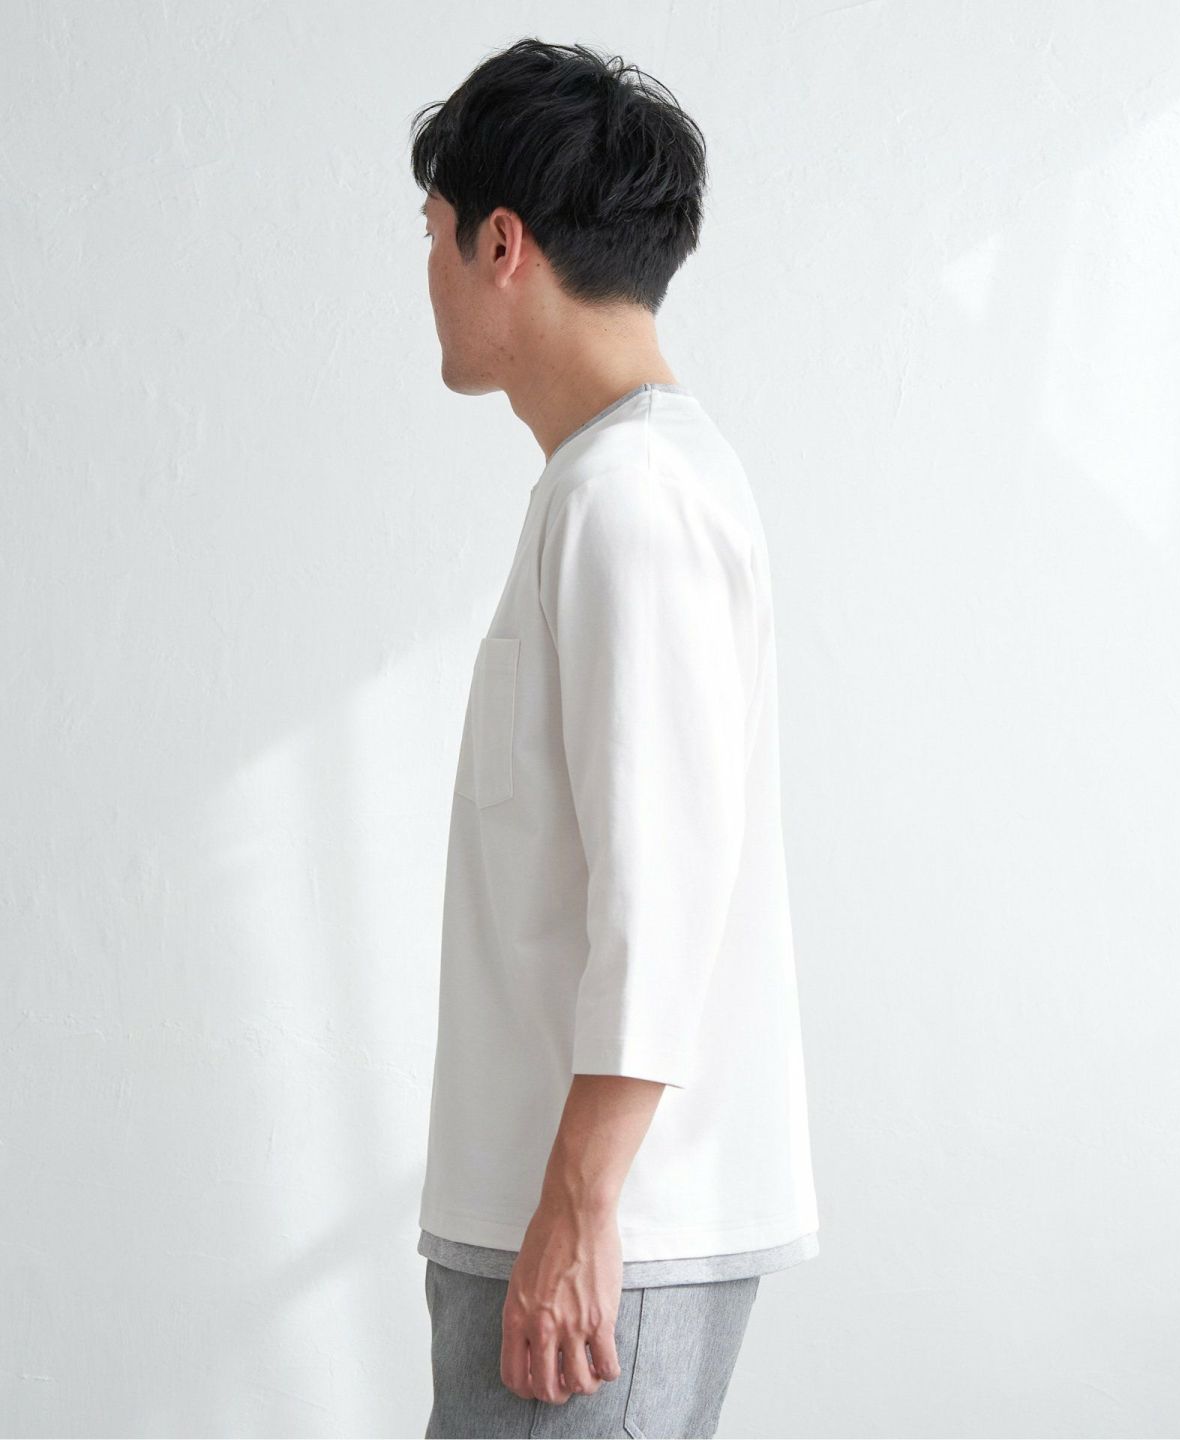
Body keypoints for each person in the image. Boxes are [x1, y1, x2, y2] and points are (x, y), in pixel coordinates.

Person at [409, 37, 821, 1440]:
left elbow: (665, 883)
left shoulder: (629, 495)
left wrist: (581, 1205)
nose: (427, 273)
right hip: (567, 1217)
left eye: (433, 234)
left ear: (501, 243)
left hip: (603, 1240)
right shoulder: (613, 480)